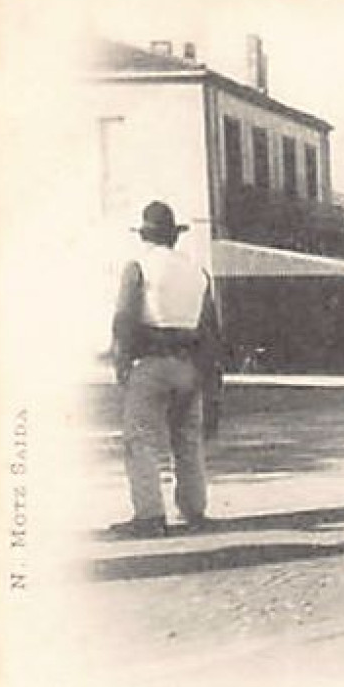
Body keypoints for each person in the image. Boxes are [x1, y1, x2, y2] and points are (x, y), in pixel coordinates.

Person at [108, 200, 223, 539]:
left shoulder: (138, 267)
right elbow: (210, 330)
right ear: (174, 236)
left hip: (151, 360)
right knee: (187, 438)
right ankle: (194, 510)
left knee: (140, 438)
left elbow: (125, 320)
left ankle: (149, 515)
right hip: (189, 362)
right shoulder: (198, 272)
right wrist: (208, 376)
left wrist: (122, 363)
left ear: (146, 235)